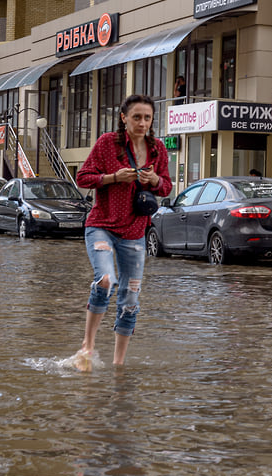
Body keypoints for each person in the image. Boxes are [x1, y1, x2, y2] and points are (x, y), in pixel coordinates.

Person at [72, 94, 172, 370]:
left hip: (135, 231)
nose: (142, 123)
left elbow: (166, 187)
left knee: (130, 298)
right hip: (102, 225)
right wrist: (113, 178)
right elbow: (83, 177)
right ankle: (88, 345)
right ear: (123, 118)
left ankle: (118, 366)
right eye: (137, 117)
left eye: (147, 118)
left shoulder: (158, 150)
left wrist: (154, 179)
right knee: (105, 280)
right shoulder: (107, 144)